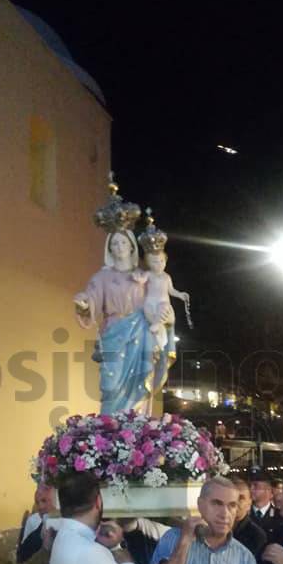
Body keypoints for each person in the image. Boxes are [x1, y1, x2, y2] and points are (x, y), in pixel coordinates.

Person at [74, 178, 173, 415]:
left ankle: (135, 434)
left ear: (131, 246)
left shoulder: (144, 276)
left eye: (122, 242)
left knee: (141, 383)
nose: (118, 247)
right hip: (113, 333)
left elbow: (159, 303)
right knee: (110, 385)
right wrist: (83, 304)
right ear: (109, 248)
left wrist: (165, 316)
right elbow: (91, 299)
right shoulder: (102, 277)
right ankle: (111, 433)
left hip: (140, 335)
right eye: (114, 244)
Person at [140, 246, 189, 353]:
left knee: (164, 309)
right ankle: (157, 339)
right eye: (155, 262)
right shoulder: (148, 274)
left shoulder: (167, 277)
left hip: (163, 304)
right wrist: (136, 278)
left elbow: (171, 290)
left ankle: (157, 328)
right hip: (150, 303)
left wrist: (180, 295)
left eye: (162, 261)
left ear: (165, 261)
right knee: (148, 311)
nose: (159, 264)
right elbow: (141, 280)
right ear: (148, 263)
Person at [230, 476, 267, 559]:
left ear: (249, 503)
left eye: (241, 498)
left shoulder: (257, 536)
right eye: (231, 497)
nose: (235, 502)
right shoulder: (213, 530)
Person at [248, 467, 283, 542]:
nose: (251, 489)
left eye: (256, 486)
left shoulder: (280, 517)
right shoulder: (244, 514)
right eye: (250, 485)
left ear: (268, 490)